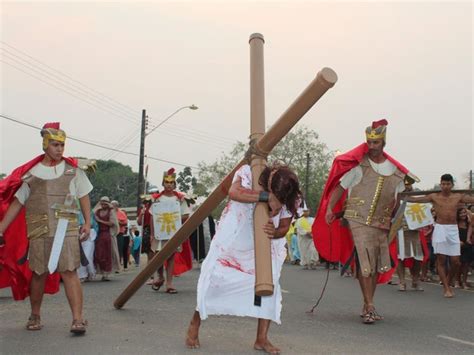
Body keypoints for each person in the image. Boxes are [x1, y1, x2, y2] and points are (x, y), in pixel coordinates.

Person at [185, 163, 301, 354]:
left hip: (264, 240)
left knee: (268, 285)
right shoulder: (250, 171)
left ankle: (261, 338)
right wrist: (266, 197)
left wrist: (276, 231)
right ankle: (195, 323)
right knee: (215, 279)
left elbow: (284, 227)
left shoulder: (292, 196)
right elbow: (235, 192)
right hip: (235, 235)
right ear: (271, 184)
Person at [315, 119, 415, 324]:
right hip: (357, 220)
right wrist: (330, 209)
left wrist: (395, 221)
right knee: (365, 260)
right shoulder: (358, 166)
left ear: (383, 143)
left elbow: (399, 202)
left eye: (375, 143)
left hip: (381, 223)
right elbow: (340, 188)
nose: (371, 147)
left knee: (376, 265)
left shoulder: (397, 173)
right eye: (369, 142)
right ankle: (370, 306)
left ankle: (367, 302)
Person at [0, 122, 93, 334]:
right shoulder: (31, 174)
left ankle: (77, 319)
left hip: (67, 228)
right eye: (54, 144)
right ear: (45, 145)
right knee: (39, 274)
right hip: (39, 228)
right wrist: (1, 228)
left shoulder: (73, 170)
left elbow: (84, 196)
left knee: (70, 271)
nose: (59, 149)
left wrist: (87, 222)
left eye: (62, 144)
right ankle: (35, 314)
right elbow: (17, 203)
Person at [405, 174, 474, 297]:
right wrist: (404, 195)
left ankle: (447, 281)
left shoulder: (458, 197)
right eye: (443, 184)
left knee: (456, 262)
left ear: (452, 185)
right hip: (440, 228)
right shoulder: (434, 196)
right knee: (441, 260)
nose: (445, 186)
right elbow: (416, 200)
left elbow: (471, 199)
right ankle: (446, 288)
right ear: (440, 184)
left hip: (453, 229)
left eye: (448, 184)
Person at [149, 168, 191, 293]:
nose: (169, 184)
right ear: (163, 183)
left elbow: (186, 215)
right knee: (159, 256)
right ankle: (160, 277)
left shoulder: (180, 199)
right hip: (159, 232)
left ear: (174, 184)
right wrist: (152, 233)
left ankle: (169, 283)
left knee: (171, 256)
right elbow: (152, 216)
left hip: (173, 232)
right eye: (166, 182)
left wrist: (174, 218)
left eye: (171, 182)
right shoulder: (156, 199)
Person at [396, 179, 427, 291]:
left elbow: (424, 213)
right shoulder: (395, 199)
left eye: (409, 185)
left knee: (418, 257)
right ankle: (402, 281)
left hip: (415, 230)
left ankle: (415, 280)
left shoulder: (416, 199)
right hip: (400, 230)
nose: (407, 187)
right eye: (405, 185)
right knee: (400, 256)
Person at [94, 196, 118, 281]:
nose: (103, 205)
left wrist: (100, 221)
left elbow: (112, 224)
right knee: (99, 254)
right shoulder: (97, 212)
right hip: (99, 235)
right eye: (102, 203)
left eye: (105, 203)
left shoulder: (111, 211)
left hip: (107, 234)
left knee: (107, 254)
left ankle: (106, 274)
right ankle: (101, 271)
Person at [456, 207, 472, 289]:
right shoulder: (455, 223)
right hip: (457, 244)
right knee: (458, 264)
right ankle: (457, 281)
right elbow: (453, 233)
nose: (463, 214)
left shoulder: (468, 223)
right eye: (461, 213)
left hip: (467, 244)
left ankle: (464, 281)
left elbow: (470, 230)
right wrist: (458, 241)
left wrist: (468, 239)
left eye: (464, 213)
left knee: (466, 264)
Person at [112, 200, 129, 270]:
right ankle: (113, 265)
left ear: (116, 206)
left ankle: (118, 265)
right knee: (112, 250)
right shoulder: (110, 213)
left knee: (119, 249)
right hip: (112, 233)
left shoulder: (121, 213)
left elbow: (125, 223)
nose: (111, 207)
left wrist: (117, 221)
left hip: (119, 233)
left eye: (112, 205)